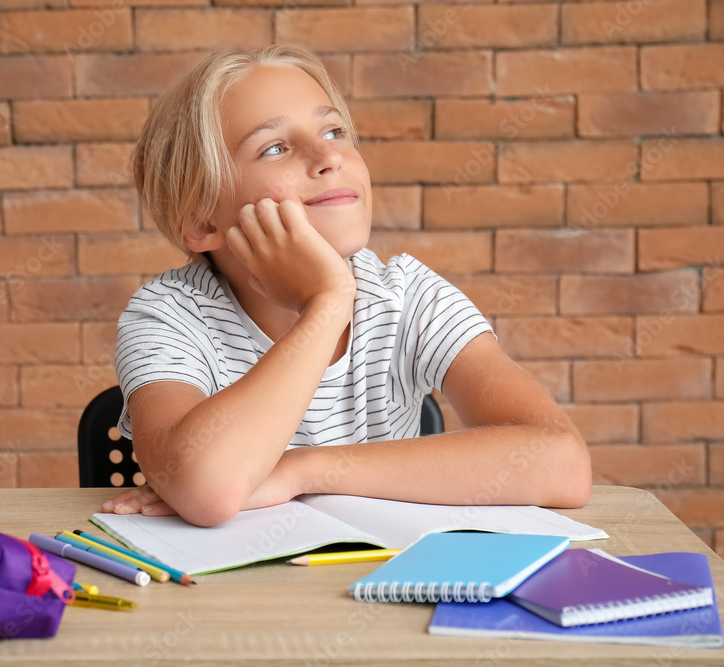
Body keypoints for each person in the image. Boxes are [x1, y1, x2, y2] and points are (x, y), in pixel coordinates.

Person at [99, 44, 591, 527]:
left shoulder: (407, 296)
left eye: (334, 131)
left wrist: (304, 469)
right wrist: (327, 304)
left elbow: (561, 463)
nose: (327, 156)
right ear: (203, 220)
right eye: (275, 147)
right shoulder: (167, 315)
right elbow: (205, 491)